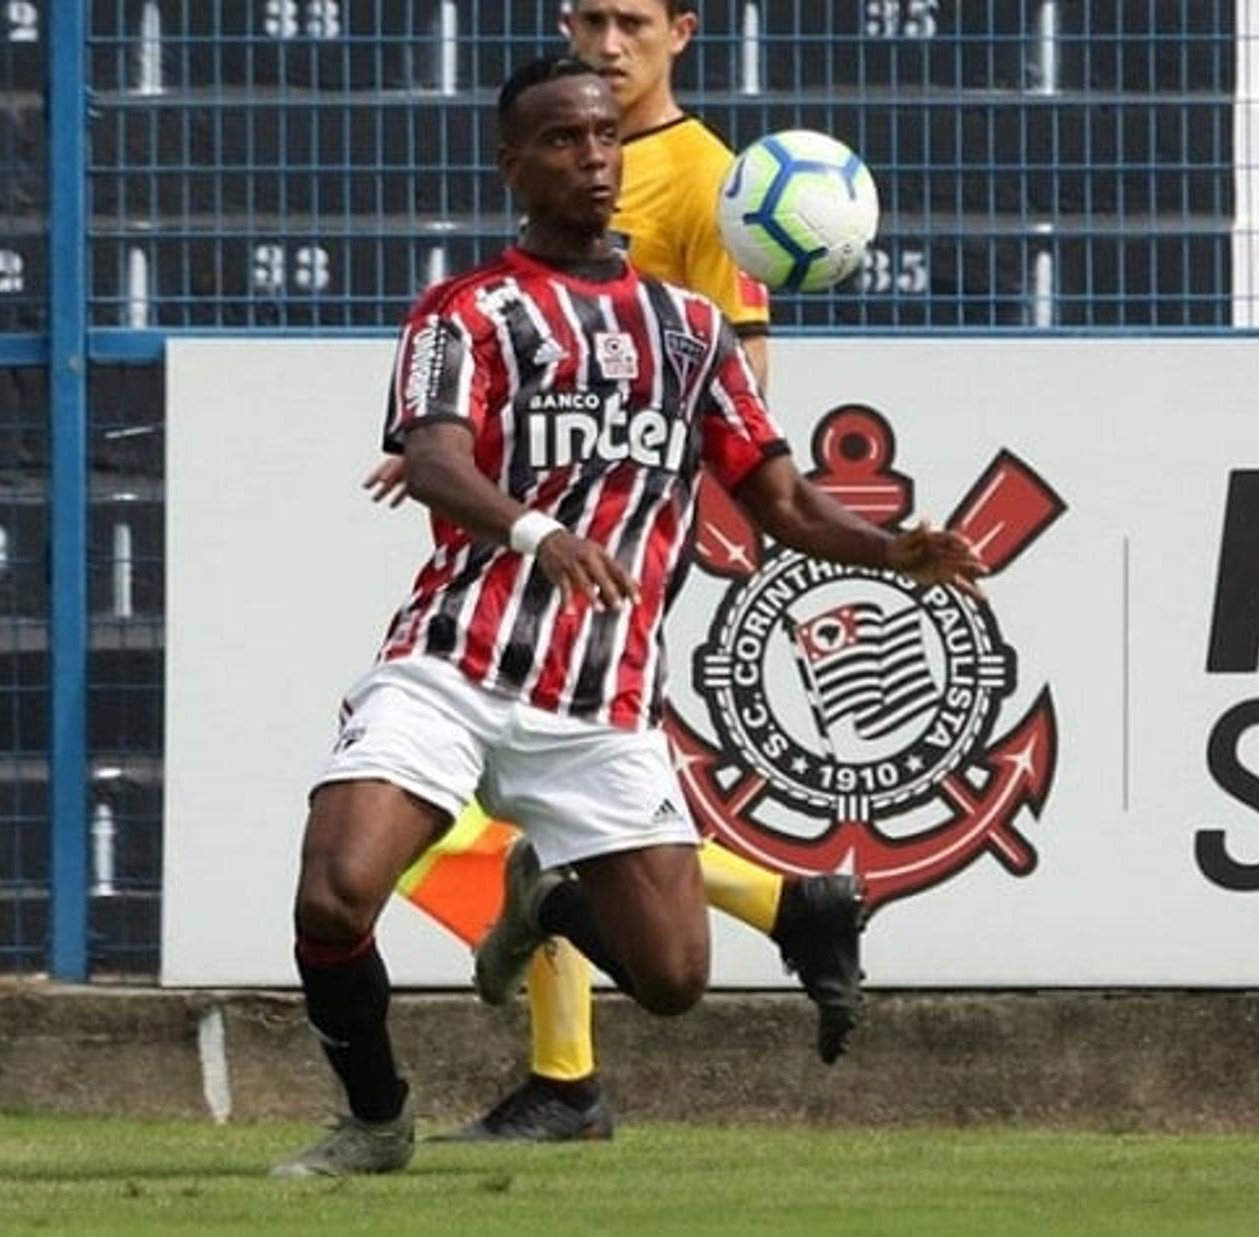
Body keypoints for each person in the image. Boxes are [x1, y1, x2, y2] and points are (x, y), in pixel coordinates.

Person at [276, 54, 984, 1178]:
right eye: (562, 141)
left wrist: (893, 550)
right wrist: (536, 533)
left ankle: (549, 897)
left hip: (603, 705)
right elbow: (436, 460)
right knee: (335, 889)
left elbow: (781, 498)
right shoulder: (473, 311)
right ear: (513, 165)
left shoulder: (692, 331)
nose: (593, 159)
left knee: (673, 981)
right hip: (455, 664)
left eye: (605, 137)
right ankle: (375, 1117)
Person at [367, 0, 867, 1145]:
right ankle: (571, 1068)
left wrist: (706, 488)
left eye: (630, 20)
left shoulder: (708, 181)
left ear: (683, 32)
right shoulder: (591, 158)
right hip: (546, 515)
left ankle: (761, 921)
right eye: (587, 16)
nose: (605, 40)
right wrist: (454, 447)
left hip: (622, 530)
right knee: (525, 796)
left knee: (531, 780)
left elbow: (725, 363)